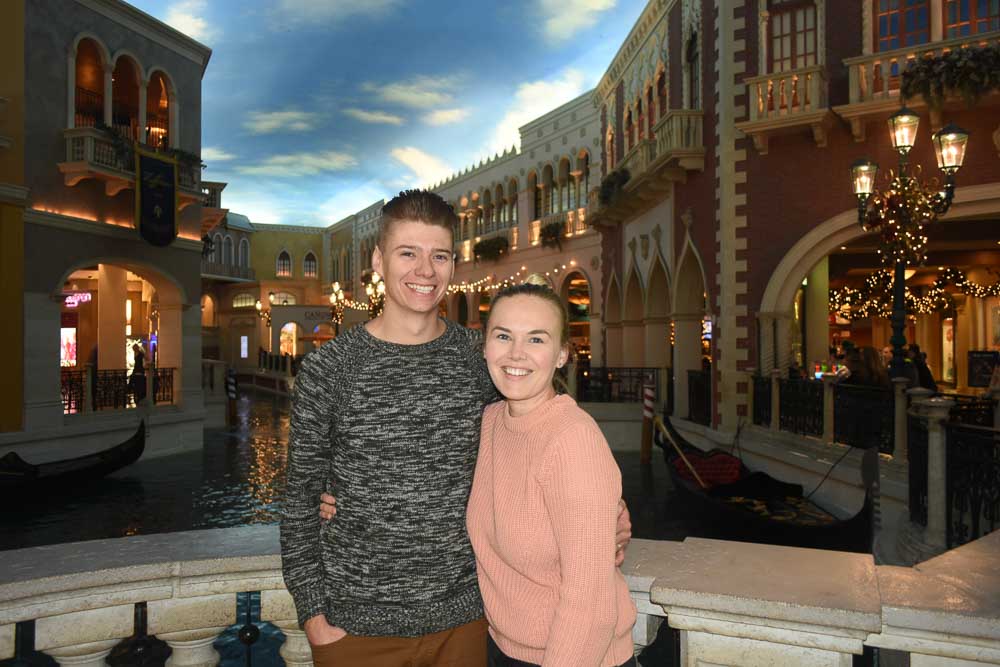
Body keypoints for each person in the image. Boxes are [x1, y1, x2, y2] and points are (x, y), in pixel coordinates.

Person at [281, 190, 631, 667]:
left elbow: (548, 437)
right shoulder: (329, 369)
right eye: (408, 253)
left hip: (467, 627)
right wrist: (315, 619)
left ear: (452, 264)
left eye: (439, 256)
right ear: (378, 261)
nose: (425, 271)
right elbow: (299, 502)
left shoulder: (481, 358)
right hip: (356, 632)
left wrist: (609, 511)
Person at [469, 275, 637, 667]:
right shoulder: (491, 421)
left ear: (562, 354)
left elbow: (589, 604)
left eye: (537, 339)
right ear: (485, 345)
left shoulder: (572, 439)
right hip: (505, 648)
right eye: (504, 336)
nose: (516, 354)